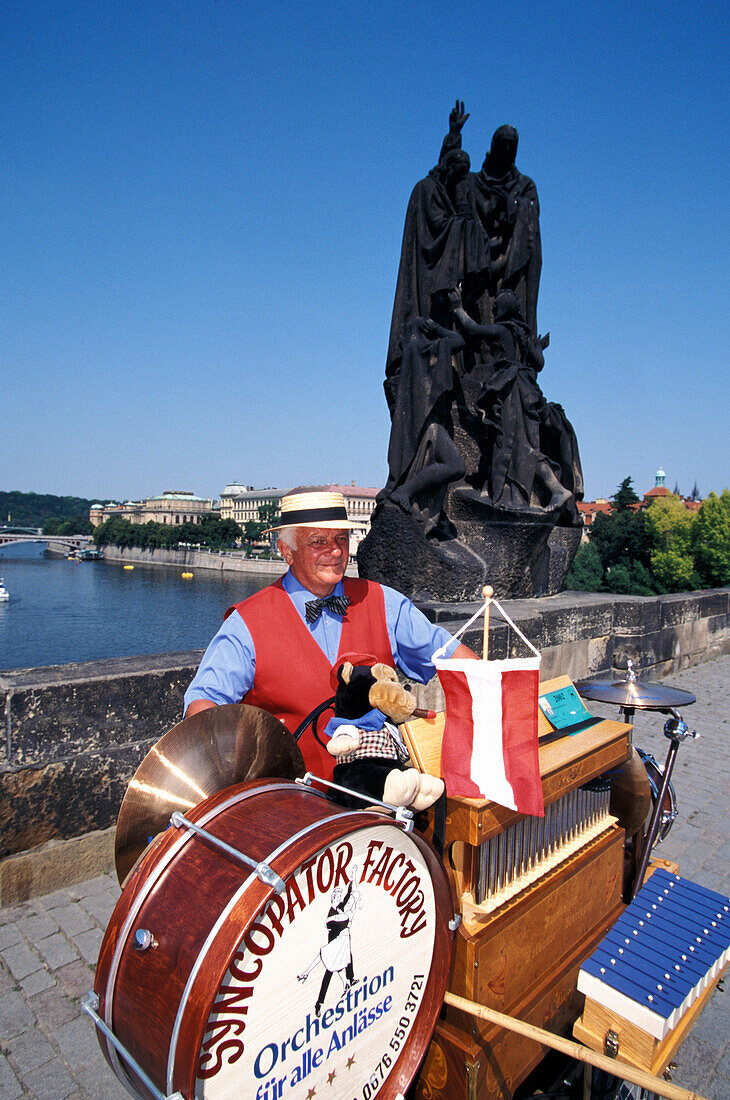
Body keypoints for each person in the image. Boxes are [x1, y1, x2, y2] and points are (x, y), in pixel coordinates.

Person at [184, 488, 478, 778]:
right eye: (318, 541)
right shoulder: (246, 622)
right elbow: (204, 704)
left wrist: (497, 692)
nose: (336, 551)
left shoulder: (385, 603)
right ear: (287, 551)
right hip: (288, 806)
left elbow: (451, 656)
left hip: (375, 801)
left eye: (341, 539)